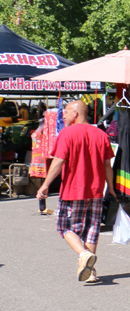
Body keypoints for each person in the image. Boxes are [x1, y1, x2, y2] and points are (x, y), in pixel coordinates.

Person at [36, 100, 114, 284]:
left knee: (64, 227)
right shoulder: (101, 134)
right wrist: (110, 186)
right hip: (96, 189)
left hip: (73, 189)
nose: (63, 115)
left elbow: (58, 161)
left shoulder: (67, 133)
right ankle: (91, 271)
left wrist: (46, 184)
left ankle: (83, 254)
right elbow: (107, 164)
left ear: (76, 113)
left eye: (66, 112)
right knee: (92, 230)